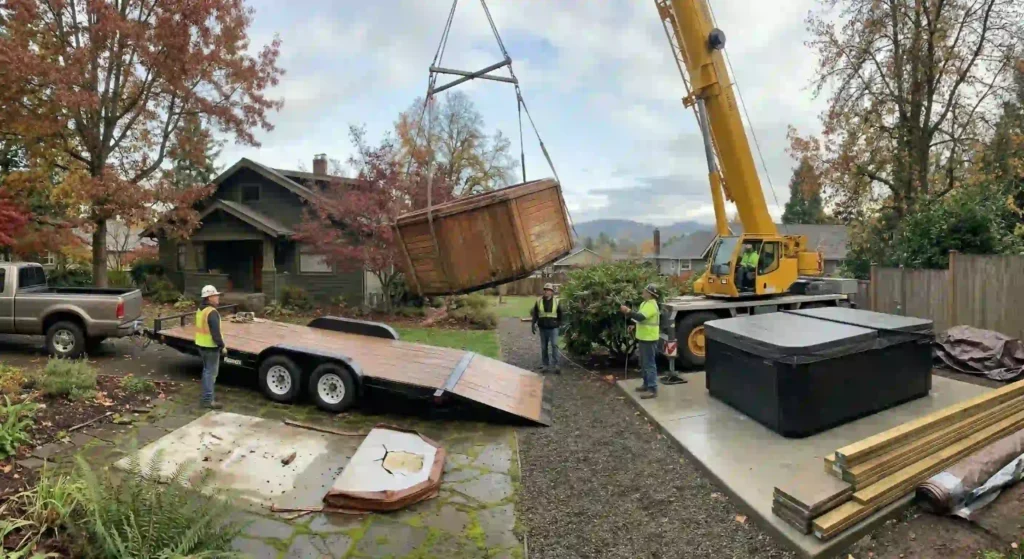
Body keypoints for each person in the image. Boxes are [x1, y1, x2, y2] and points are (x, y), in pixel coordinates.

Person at [620, 283, 661, 399]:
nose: (643, 292)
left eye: (645, 291)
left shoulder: (651, 305)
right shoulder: (645, 303)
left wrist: (627, 311)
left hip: (649, 338)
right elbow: (640, 318)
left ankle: (652, 389)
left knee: (649, 364)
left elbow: (641, 317)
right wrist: (634, 325)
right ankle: (646, 384)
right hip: (644, 337)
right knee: (643, 363)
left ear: (650, 294)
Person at [195, 285, 227, 409]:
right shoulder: (212, 312)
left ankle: (207, 397)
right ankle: (208, 400)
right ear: (209, 298)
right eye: (215, 295)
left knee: (207, 371)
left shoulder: (201, 309)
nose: (218, 297)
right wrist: (222, 346)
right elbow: (215, 333)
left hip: (201, 345)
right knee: (210, 373)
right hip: (210, 347)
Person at [531, 283, 563, 374]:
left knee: (554, 345)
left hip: (553, 328)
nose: (546, 291)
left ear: (552, 292)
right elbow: (535, 314)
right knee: (544, 347)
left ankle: (556, 365)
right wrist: (533, 324)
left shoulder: (556, 301)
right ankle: (545, 365)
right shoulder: (539, 301)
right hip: (542, 328)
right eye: (545, 289)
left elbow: (561, 314)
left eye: (548, 290)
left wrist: (559, 324)